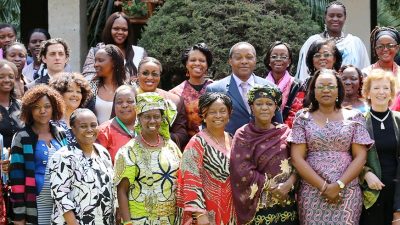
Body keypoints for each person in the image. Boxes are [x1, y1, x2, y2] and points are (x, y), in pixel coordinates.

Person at [288, 69, 374, 224]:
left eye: (331, 86)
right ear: (313, 91)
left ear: (338, 90)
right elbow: (297, 158)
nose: (326, 90)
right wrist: (324, 187)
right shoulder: (302, 118)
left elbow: (360, 157)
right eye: (320, 86)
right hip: (312, 191)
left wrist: (338, 185)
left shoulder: (354, 116)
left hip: (347, 190)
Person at [230, 85, 298, 225]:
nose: (264, 107)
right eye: (259, 103)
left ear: (276, 108)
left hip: (287, 203)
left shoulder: (286, 132)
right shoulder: (243, 134)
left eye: (269, 104)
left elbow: (299, 161)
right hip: (258, 206)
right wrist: (271, 185)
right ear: (251, 108)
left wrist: (289, 183)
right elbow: (240, 170)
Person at [114, 92, 182, 225]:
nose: (152, 121)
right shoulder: (129, 150)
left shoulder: (170, 145)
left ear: (162, 118)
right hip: (140, 219)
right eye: (147, 117)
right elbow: (121, 190)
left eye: (156, 116)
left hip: (171, 219)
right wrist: (127, 222)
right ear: (139, 118)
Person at [9, 85, 67, 225]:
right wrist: (19, 217)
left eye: (47, 106)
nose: (42, 111)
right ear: (29, 110)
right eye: (36, 107)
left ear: (54, 107)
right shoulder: (22, 137)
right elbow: (16, 180)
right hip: (34, 207)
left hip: (61, 206)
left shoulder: (60, 133)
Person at [175, 92, 235, 225]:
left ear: (229, 114)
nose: (218, 115)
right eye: (212, 112)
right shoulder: (196, 143)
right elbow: (190, 177)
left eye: (222, 111)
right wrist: (200, 214)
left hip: (231, 210)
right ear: (204, 115)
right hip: (207, 213)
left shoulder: (232, 139)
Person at [49, 108, 115, 224]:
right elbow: (61, 197)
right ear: (73, 129)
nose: (90, 130)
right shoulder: (62, 157)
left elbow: (112, 187)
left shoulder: (103, 152)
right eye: (83, 126)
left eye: (93, 125)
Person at [206, 42, 282, 135]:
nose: (244, 61)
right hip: (228, 146)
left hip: (263, 145)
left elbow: (278, 124)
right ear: (230, 61)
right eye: (238, 58)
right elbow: (207, 125)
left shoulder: (271, 88)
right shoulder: (214, 89)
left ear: (255, 60)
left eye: (249, 57)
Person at [358, 69, 400, 225]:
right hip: (369, 193)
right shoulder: (359, 122)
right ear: (368, 93)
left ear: (391, 93)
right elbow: (350, 157)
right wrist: (366, 174)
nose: (381, 92)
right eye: (376, 88)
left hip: (397, 192)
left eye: (386, 88)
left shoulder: (398, 119)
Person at [295, 1, 370, 81]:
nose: (335, 19)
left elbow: (364, 75)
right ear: (325, 17)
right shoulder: (312, 42)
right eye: (331, 15)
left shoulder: (356, 43)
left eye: (339, 16)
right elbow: (304, 72)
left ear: (345, 18)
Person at [136, 57, 188, 149]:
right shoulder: (126, 99)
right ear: (137, 75)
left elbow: (182, 135)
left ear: (160, 76)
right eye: (145, 73)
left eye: (155, 74)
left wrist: (158, 137)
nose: (150, 77)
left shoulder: (175, 101)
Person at [82, 12, 146, 81]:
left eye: (124, 29)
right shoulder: (96, 52)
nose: (120, 32)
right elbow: (87, 79)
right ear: (109, 30)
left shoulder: (140, 52)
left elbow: (146, 76)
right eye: (116, 29)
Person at [170, 43, 214, 138]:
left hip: (216, 144)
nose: (197, 63)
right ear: (186, 64)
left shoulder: (217, 88)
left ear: (207, 65)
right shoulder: (174, 94)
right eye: (193, 60)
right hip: (187, 147)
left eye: (202, 60)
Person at [263, 41, 302, 127]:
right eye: (274, 56)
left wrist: (280, 130)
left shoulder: (297, 85)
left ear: (289, 62)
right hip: (262, 132)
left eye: (283, 56)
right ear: (269, 61)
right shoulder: (260, 84)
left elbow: (296, 113)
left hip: (287, 133)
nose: (278, 59)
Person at [297, 39, 343, 108]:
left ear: (334, 59)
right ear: (312, 60)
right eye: (317, 55)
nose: (322, 58)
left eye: (326, 55)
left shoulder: (342, 81)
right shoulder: (305, 84)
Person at [49, 72, 93, 144]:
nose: (75, 95)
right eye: (70, 91)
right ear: (59, 93)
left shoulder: (85, 121)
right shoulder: (51, 123)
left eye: (78, 92)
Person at [97, 84, 136, 162]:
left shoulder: (145, 127)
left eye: (130, 101)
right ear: (114, 105)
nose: (124, 105)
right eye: (119, 102)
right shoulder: (103, 131)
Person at [88, 44, 126, 124]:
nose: (95, 64)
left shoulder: (127, 89)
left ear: (114, 63)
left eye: (100, 60)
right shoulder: (89, 88)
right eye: (95, 61)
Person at [0, 60, 24, 149]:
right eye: (1, 77)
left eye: (11, 77)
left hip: (20, 160)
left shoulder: (22, 106)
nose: (7, 80)